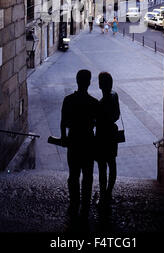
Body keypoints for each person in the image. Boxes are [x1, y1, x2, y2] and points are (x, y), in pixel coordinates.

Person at [61, 69, 99, 218]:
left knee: (73, 175)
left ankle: (74, 202)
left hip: (74, 141)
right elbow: (99, 123)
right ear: (89, 82)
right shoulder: (94, 103)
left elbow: (63, 122)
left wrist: (64, 137)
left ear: (77, 81)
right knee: (87, 175)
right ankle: (85, 204)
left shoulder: (68, 100)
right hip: (88, 142)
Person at [95, 72, 120, 208]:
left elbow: (95, 121)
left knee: (102, 167)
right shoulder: (115, 95)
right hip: (112, 134)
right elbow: (117, 115)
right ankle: (109, 191)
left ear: (101, 85)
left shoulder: (101, 103)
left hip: (101, 137)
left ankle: (103, 193)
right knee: (112, 163)